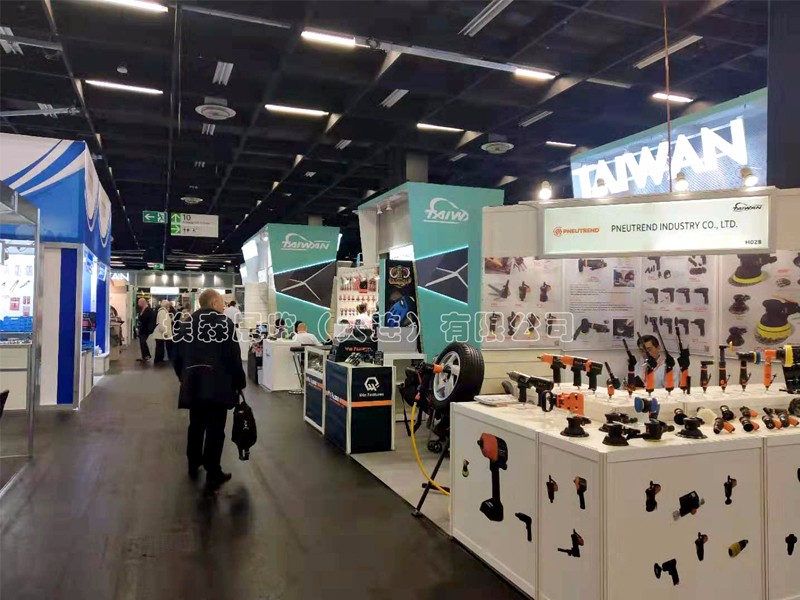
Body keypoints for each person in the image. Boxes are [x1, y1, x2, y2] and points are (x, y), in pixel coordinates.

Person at [173, 289, 246, 489]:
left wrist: (182, 377)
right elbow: (233, 356)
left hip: (193, 384)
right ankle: (213, 471)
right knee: (216, 429)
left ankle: (193, 462)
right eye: (222, 302)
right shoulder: (225, 323)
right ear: (214, 303)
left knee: (196, 425)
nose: (224, 306)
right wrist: (239, 382)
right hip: (218, 385)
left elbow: (177, 355)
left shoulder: (186, 323)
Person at [136, 298, 156, 363]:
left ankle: (146, 355)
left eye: (139, 302)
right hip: (142, 328)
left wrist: (150, 329)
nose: (138, 304)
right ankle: (144, 356)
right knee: (142, 342)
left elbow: (151, 320)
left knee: (143, 341)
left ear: (142, 302)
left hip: (146, 329)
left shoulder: (149, 310)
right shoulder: (141, 310)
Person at [153, 299, 173, 364]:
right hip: (161, 333)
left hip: (161, 333)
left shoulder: (164, 312)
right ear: (166, 305)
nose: (169, 306)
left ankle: (159, 360)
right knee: (160, 348)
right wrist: (165, 332)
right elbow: (162, 324)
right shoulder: (162, 312)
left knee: (160, 347)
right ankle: (158, 360)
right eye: (168, 305)